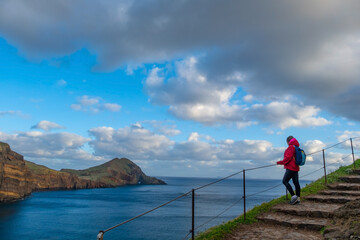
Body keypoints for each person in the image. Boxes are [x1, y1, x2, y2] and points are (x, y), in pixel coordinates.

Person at [277, 136, 301, 205]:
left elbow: (288, 158)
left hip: (291, 167)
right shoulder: (296, 147)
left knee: (284, 181)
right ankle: (298, 199)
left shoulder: (291, 147)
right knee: (296, 183)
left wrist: (280, 162)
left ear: (288, 141)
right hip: (296, 167)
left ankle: (294, 197)